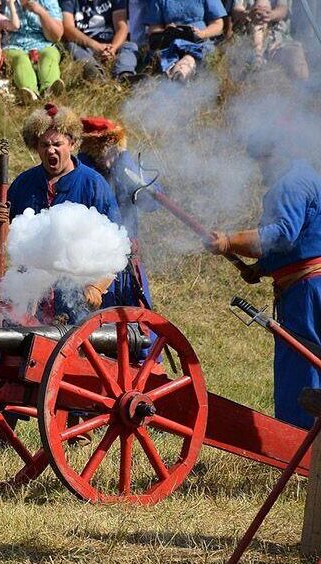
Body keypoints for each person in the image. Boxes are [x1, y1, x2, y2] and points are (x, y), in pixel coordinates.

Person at [207, 136, 321, 429]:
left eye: (262, 159)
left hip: (307, 291)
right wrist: (261, 268)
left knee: (303, 366)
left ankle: (301, 447)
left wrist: (230, 241)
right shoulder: (302, 175)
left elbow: (283, 234)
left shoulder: (291, 183)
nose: (260, 167)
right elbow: (296, 242)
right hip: (305, 285)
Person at [0, 103, 121, 322]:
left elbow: (116, 249)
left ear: (72, 143)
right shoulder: (23, 184)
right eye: (44, 145)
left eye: (57, 144)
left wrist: (96, 287)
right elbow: (2, 240)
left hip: (76, 297)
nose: (51, 150)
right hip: (29, 294)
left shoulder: (94, 185)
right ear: (36, 147)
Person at [77, 116, 161, 309]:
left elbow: (152, 202)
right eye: (109, 149)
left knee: (137, 322)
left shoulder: (125, 166)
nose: (113, 155)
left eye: (117, 149)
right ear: (96, 149)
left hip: (128, 257)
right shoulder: (83, 173)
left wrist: (129, 171)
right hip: (95, 262)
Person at [144, 0, 226, 81]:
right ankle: (173, 77)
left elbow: (217, 24)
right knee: (169, 60)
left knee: (188, 59)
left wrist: (203, 33)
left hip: (198, 42)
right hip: (170, 43)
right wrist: (166, 30)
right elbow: (153, 29)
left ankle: (180, 77)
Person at [1, 0, 64, 103]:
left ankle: (49, 90)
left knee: (49, 54)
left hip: (43, 43)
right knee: (20, 59)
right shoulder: (3, 2)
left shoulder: (48, 2)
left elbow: (56, 36)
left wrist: (41, 12)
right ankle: (29, 93)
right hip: (13, 45)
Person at [59, 0, 138, 81]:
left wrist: (113, 48)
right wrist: (94, 45)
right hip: (85, 45)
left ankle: (124, 75)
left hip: (110, 44)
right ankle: (96, 74)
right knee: (71, 46)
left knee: (130, 46)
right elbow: (67, 28)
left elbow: (122, 27)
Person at [232, 0, 308, 79]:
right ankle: (256, 60)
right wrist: (248, 14)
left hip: (277, 39)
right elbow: (236, 10)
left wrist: (271, 15)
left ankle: (303, 88)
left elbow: (282, 9)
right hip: (247, 39)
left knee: (298, 65)